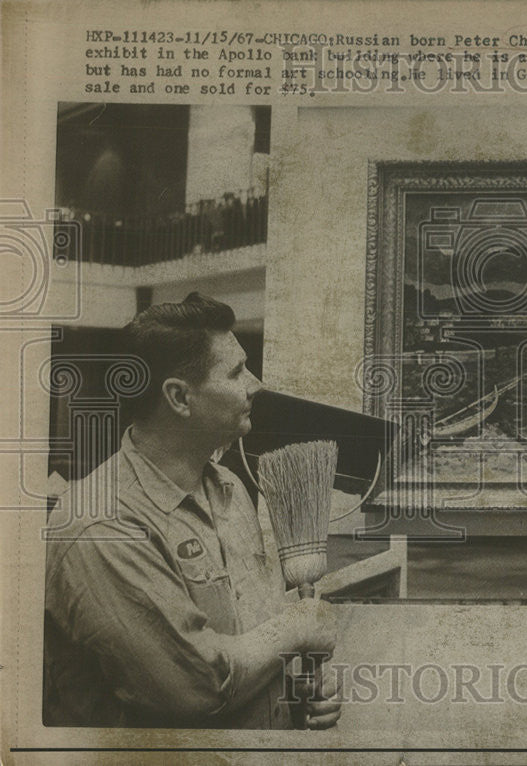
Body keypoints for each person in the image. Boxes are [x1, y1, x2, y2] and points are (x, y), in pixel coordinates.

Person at [44, 292, 342, 729]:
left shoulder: (230, 489)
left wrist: (298, 693)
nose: (255, 384)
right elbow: (194, 687)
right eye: (237, 371)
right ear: (180, 397)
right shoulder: (100, 524)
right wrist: (298, 628)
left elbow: (251, 636)